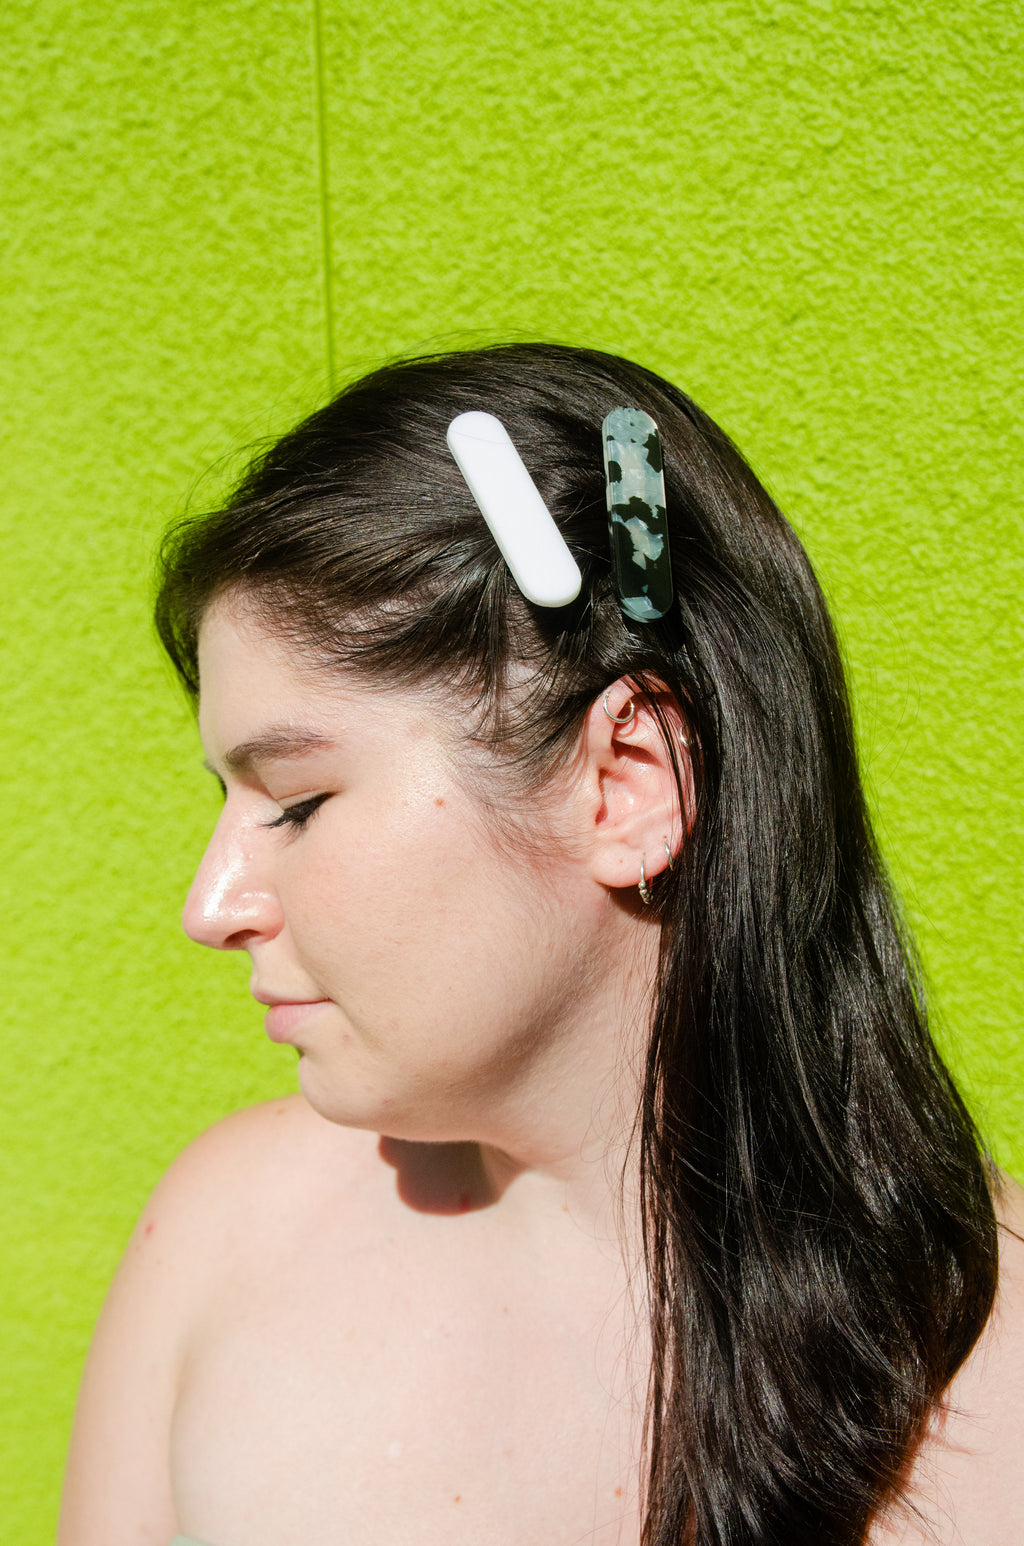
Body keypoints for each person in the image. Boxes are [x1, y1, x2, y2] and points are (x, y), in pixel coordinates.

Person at [58, 344, 1024, 1546]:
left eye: (298, 802)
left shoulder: (1003, 1388)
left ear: (625, 782)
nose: (212, 904)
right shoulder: (219, 1238)